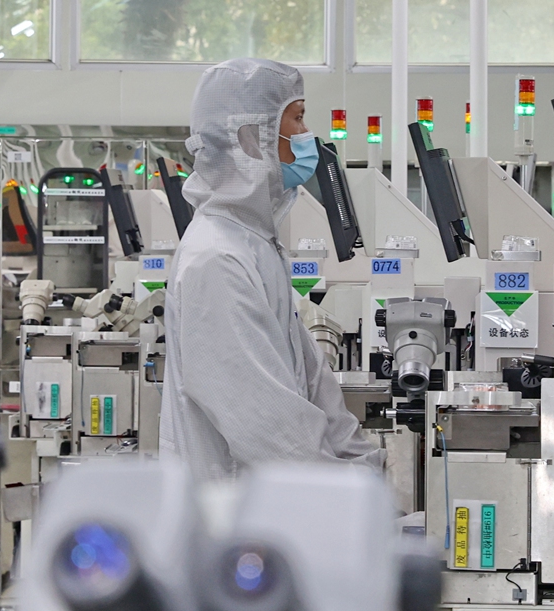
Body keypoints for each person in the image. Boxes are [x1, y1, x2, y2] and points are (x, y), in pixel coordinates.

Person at [160, 58, 385, 481]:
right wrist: (346, 491)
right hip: (233, 514)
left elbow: (313, 381)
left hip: (272, 505)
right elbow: (264, 423)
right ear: (252, 136)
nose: (305, 136)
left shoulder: (255, 244)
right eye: (297, 119)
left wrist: (364, 467)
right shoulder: (217, 258)